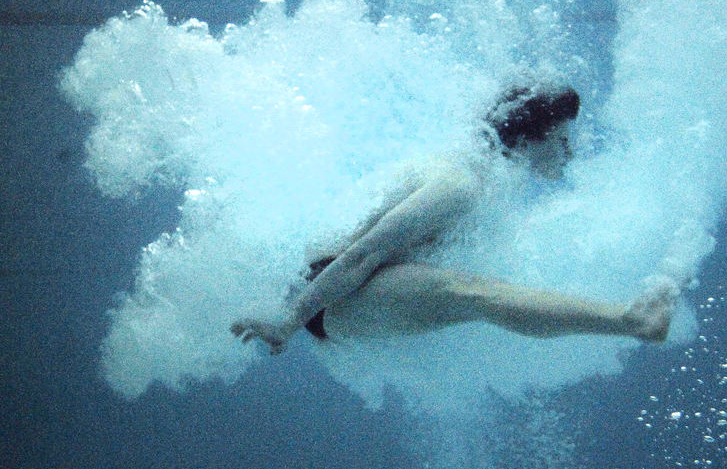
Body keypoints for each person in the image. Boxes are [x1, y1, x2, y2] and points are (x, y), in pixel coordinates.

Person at [231, 83, 679, 353]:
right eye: (562, 138)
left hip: (354, 288)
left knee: (478, 294)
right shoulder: (461, 182)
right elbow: (361, 254)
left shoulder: (484, 181)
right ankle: (629, 322)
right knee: (474, 294)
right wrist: (288, 320)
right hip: (328, 291)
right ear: (532, 136)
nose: (570, 152)